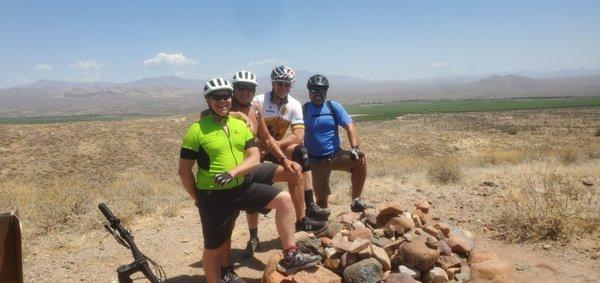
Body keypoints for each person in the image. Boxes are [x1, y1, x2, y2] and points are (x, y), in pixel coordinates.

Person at [178, 78, 321, 283]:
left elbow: (254, 156)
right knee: (214, 246)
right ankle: (223, 273)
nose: (223, 101)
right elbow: (184, 172)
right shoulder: (197, 130)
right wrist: (199, 199)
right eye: (217, 97)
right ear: (208, 100)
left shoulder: (240, 123)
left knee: (283, 199)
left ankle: (291, 252)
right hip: (213, 194)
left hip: (241, 184)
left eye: (225, 96)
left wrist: (234, 172)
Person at [201, 71, 327, 259]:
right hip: (231, 175)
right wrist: (235, 114)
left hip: (254, 167)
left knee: (294, 172)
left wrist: (285, 160)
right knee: (231, 219)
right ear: (233, 90)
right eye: (241, 88)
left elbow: (267, 139)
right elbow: (206, 115)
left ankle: (301, 220)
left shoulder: (255, 110)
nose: (245, 92)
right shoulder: (222, 107)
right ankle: (249, 240)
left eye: (250, 88)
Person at [252, 65, 330, 222]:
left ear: (291, 85)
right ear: (273, 83)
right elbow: (249, 133)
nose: (283, 88)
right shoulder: (258, 101)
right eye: (279, 83)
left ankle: (310, 206)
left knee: (301, 152)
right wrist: (263, 147)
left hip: (274, 147)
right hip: (257, 147)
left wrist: (275, 146)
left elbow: (299, 136)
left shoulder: (294, 104)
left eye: (287, 84)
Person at [301, 74, 371, 212]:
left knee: (360, 162)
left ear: (326, 92)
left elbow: (349, 125)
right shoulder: (304, 110)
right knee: (322, 203)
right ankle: (323, 225)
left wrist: (354, 147)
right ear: (309, 92)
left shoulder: (333, 107)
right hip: (316, 161)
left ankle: (356, 201)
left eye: (321, 90)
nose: (318, 94)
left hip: (335, 155)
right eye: (314, 90)